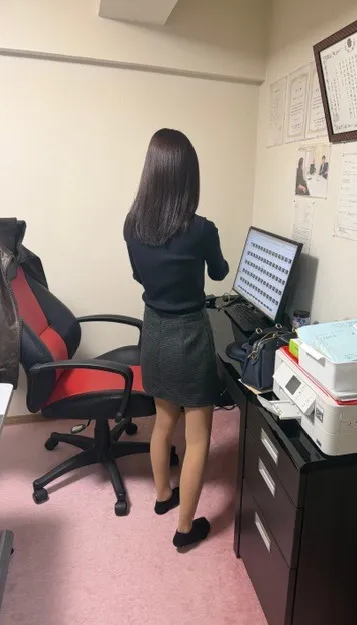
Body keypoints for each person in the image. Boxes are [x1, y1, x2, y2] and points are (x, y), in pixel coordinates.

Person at [124, 129, 229, 549]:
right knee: (198, 436)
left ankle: (163, 496)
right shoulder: (201, 229)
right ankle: (185, 530)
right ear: (189, 177)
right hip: (189, 335)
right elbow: (219, 273)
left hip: (153, 330)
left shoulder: (132, 225)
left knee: (164, 422)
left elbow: (139, 275)